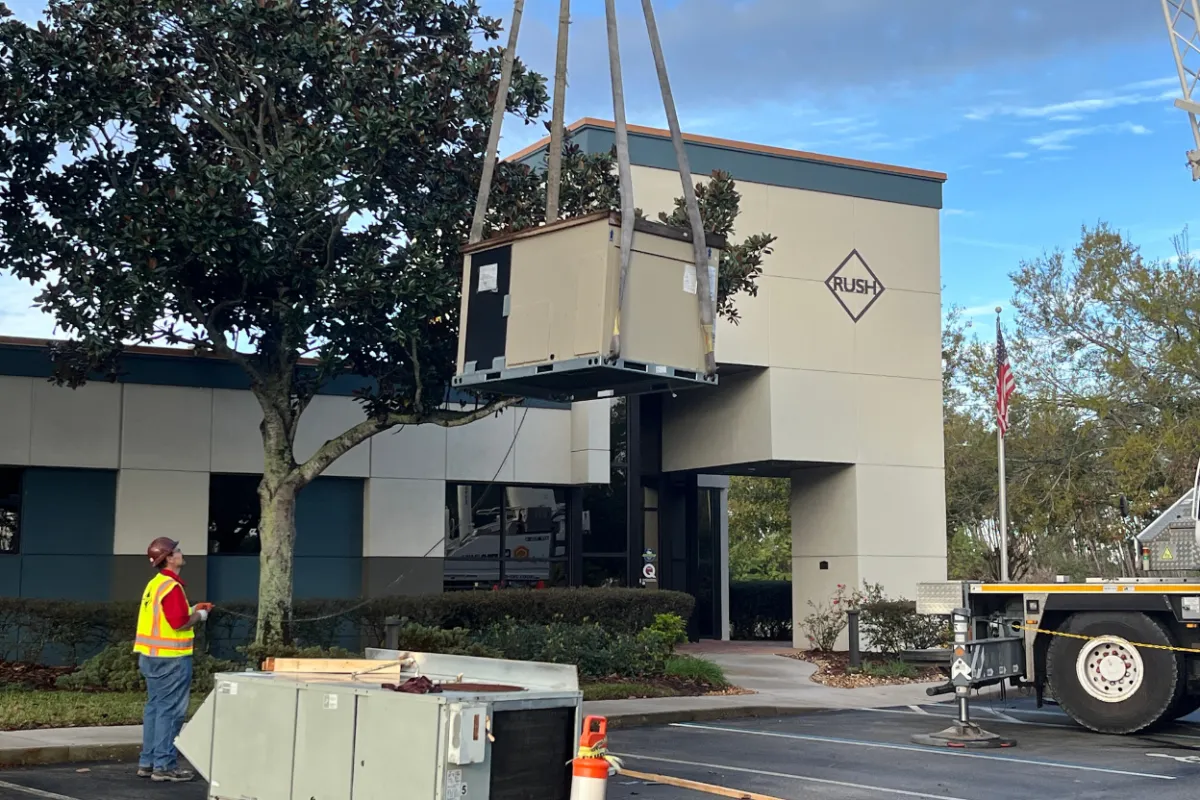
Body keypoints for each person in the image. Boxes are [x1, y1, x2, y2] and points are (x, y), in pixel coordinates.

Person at [133, 537, 213, 783]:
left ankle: (148, 762)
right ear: (168, 558)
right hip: (172, 660)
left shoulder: (155, 585)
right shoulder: (172, 587)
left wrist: (191, 609)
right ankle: (165, 766)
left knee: (155, 709)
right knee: (170, 712)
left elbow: (167, 618)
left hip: (150, 657)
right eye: (176, 550)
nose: (180, 553)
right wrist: (199, 615)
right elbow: (178, 623)